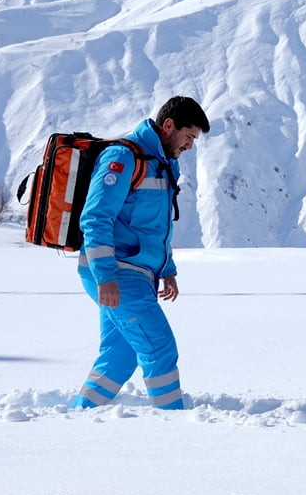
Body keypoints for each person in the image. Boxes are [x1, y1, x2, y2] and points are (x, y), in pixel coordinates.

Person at [72, 96, 210, 410]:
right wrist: (105, 276)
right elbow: (95, 217)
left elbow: (154, 226)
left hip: (136, 272)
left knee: (120, 355)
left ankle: (80, 415)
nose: (190, 146)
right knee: (159, 347)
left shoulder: (163, 163)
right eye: (189, 137)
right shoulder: (123, 157)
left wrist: (167, 269)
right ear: (169, 126)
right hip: (117, 273)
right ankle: (172, 425)